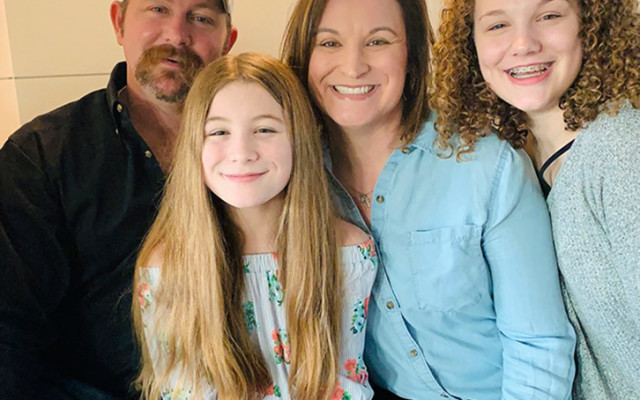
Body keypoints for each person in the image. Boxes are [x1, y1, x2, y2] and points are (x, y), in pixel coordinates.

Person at [281, 0, 576, 399]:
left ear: (413, 53)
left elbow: (538, 349)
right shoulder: (289, 176)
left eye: (378, 41)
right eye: (329, 43)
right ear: (304, 55)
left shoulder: (486, 165)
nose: (353, 67)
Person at [0, 0, 237, 398]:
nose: (177, 34)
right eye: (158, 8)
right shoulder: (42, 155)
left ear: (227, 41)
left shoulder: (262, 152)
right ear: (119, 22)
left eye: (200, 18)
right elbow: (9, 331)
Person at [132, 52, 376, 400]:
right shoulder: (167, 267)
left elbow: (345, 383)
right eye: (219, 131)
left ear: (299, 139)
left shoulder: (347, 252)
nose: (242, 152)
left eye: (264, 130)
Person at [430, 0, 640, 398]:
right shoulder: (508, 161)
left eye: (549, 16)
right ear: (470, 44)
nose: (524, 43)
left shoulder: (623, 151)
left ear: (591, 23)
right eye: (497, 25)